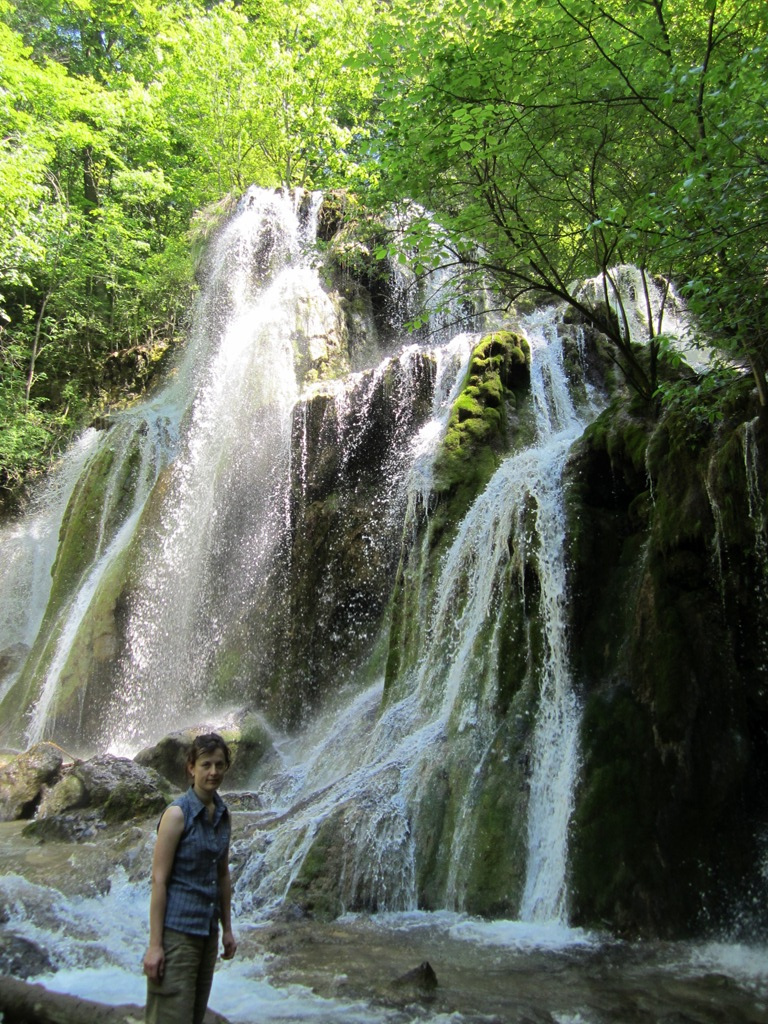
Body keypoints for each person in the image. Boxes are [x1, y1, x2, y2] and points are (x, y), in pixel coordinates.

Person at [143, 732, 237, 1024]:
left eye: (219, 765)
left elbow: (222, 875)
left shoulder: (222, 815)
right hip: (178, 934)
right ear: (191, 768)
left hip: (207, 934)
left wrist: (227, 929)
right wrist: (155, 945)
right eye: (206, 764)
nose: (213, 772)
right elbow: (159, 881)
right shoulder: (176, 815)